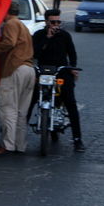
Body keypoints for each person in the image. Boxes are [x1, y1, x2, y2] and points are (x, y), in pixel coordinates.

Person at [32, 9, 85, 152]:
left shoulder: (65, 36)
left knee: (70, 103)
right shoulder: (38, 35)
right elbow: (34, 53)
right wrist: (47, 39)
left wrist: (72, 68)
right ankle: (18, 138)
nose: (56, 25)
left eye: (58, 22)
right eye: (53, 22)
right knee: (30, 100)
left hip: (62, 72)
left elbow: (72, 54)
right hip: (43, 73)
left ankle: (77, 139)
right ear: (46, 22)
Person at [0, 1, 36, 156]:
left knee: (8, 109)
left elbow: (9, 43)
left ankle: (7, 145)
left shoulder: (11, 24)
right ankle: (19, 145)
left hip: (14, 68)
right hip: (28, 68)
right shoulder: (23, 26)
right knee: (21, 112)